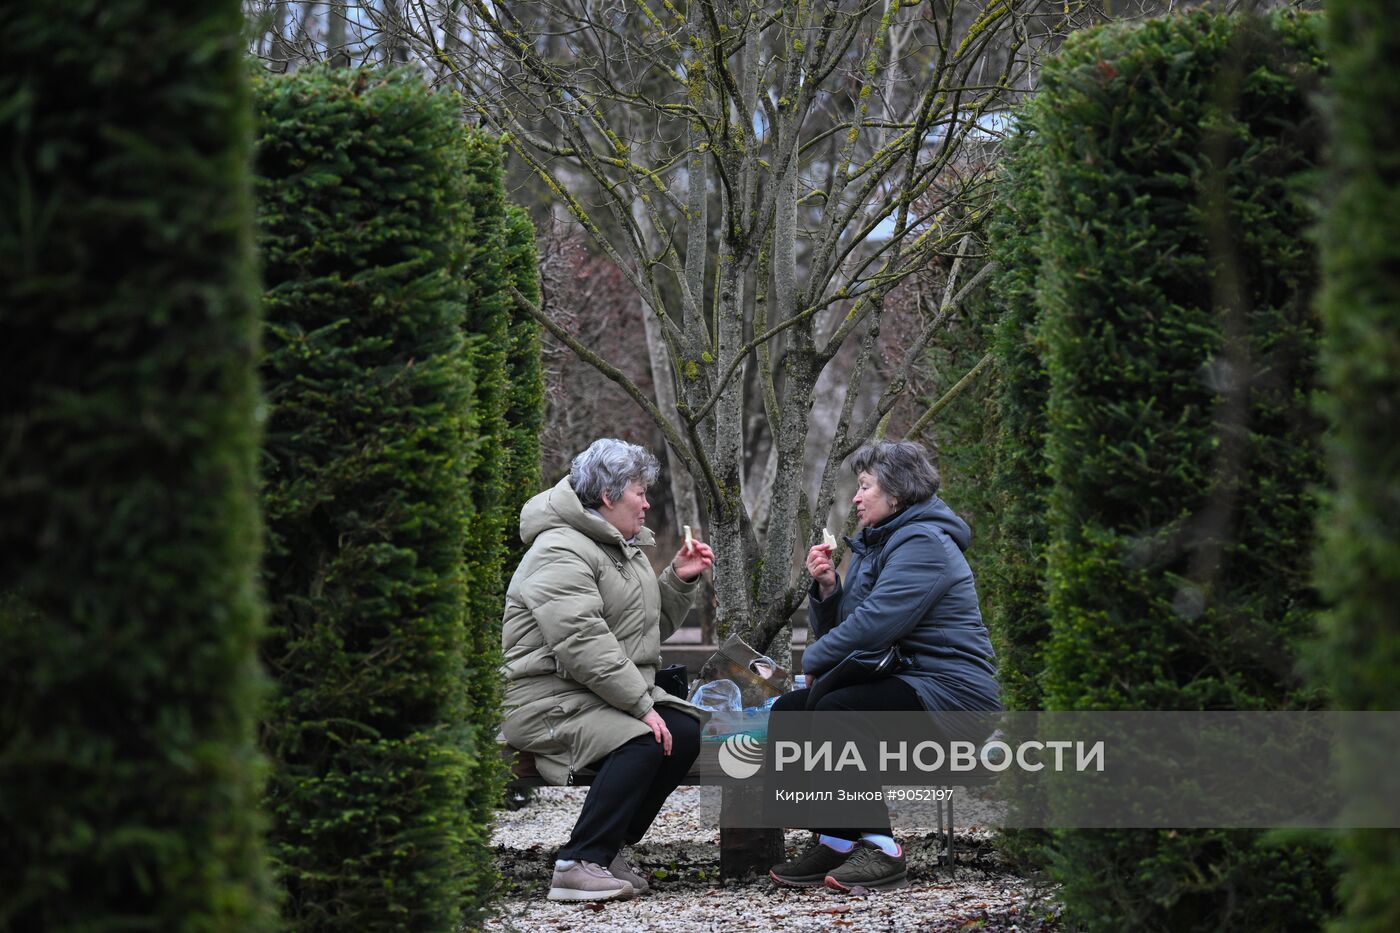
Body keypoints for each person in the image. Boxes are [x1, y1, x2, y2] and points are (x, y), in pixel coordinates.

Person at [768, 440, 1001, 892]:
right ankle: (834, 839)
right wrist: (829, 590)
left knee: (843, 710)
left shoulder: (924, 543)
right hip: (905, 679)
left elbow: (875, 627)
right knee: (792, 712)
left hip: (951, 694)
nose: (855, 498)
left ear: (896, 494)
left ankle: (882, 850)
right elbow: (852, 626)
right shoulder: (880, 544)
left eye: (865, 486)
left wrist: (813, 659)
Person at [500, 438, 714, 903]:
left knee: (684, 730)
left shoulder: (620, 549)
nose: (647, 502)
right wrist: (640, 705)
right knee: (644, 737)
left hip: (591, 694)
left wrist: (678, 580)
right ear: (609, 495)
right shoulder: (559, 549)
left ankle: (608, 846)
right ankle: (579, 861)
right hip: (545, 699)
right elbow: (582, 643)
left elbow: (642, 632)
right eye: (640, 491)